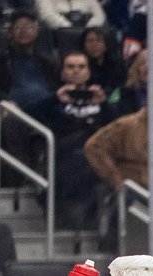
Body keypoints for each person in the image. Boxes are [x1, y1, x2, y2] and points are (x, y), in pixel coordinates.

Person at [31, 50, 113, 229]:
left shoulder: (99, 98)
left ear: (88, 72)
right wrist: (55, 100)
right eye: (70, 67)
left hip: (97, 154)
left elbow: (116, 127)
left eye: (81, 67)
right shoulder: (53, 98)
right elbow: (28, 117)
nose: (76, 71)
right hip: (65, 154)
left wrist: (104, 105)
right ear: (63, 73)